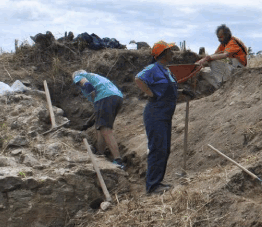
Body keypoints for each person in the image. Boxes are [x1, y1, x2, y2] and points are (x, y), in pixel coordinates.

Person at [135, 41, 189, 195]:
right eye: (170, 51)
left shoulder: (166, 71)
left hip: (165, 115)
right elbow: (138, 78)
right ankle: (152, 187)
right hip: (155, 114)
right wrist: (150, 94)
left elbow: (167, 89)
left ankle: (157, 182)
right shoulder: (153, 68)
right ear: (163, 54)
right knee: (157, 149)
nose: (172, 53)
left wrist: (181, 92)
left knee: (164, 149)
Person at [72, 70, 125, 170]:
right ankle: (100, 154)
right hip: (117, 97)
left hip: (104, 98)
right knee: (101, 128)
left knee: (105, 130)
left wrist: (93, 96)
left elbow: (87, 85)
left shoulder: (78, 75)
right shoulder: (97, 77)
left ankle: (118, 160)